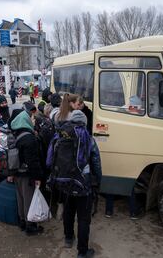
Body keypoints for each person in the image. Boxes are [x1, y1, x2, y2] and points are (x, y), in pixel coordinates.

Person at [47, 110, 102, 258]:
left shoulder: (60, 135)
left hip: (65, 183)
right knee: (84, 219)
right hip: (83, 184)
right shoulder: (88, 139)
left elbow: (49, 160)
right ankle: (82, 252)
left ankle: (68, 238)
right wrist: (97, 181)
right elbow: (96, 163)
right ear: (84, 122)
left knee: (68, 212)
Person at [7, 105, 43, 236]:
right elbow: (32, 160)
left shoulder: (15, 133)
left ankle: (22, 221)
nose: (32, 119)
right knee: (29, 199)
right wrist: (37, 177)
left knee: (21, 198)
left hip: (17, 172)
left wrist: (11, 173)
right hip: (27, 174)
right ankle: (30, 226)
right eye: (30, 117)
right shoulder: (29, 138)